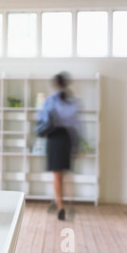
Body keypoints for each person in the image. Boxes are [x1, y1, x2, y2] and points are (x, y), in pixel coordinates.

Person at [38, 72, 81, 220]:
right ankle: (65, 202)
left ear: (56, 85)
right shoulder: (73, 101)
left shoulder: (50, 100)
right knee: (64, 173)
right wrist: (77, 145)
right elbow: (77, 125)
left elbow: (42, 119)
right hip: (67, 138)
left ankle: (60, 206)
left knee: (57, 175)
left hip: (55, 138)